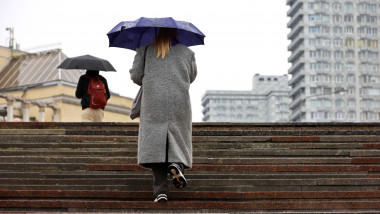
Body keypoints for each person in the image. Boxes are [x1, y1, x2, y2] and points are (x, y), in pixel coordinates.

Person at [129, 28, 197, 203]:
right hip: (179, 100)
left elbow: (137, 76)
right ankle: (176, 164)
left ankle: (160, 191)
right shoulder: (187, 52)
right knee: (178, 138)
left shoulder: (144, 48)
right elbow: (191, 76)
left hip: (154, 101)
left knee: (156, 145)